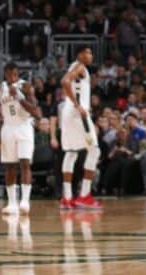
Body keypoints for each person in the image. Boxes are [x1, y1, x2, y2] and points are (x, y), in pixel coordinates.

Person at [0, 62, 41, 215]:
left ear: (18, 75)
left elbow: (36, 112)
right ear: (5, 75)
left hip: (24, 126)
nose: (13, 77)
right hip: (8, 127)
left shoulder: (25, 86)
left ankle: (25, 200)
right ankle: (12, 203)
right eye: (10, 74)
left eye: (16, 74)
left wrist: (19, 97)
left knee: (25, 163)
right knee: (9, 166)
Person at [59, 45, 102, 210]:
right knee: (94, 150)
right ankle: (84, 195)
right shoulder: (79, 67)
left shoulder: (74, 66)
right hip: (78, 114)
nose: (91, 55)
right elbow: (65, 81)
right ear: (80, 54)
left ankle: (67, 197)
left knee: (71, 153)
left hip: (68, 111)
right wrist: (78, 105)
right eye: (88, 52)